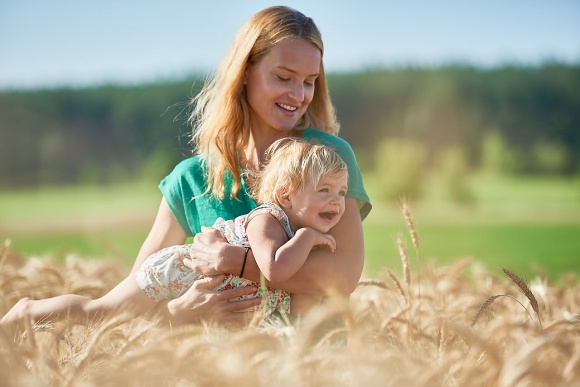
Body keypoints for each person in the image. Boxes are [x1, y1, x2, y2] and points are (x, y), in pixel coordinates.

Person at [0, 138, 349, 328]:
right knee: (103, 312)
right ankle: (27, 312)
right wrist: (307, 239)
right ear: (286, 195)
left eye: (342, 193)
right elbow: (275, 271)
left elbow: (301, 309)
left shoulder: (298, 234)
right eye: (324, 191)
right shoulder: (268, 220)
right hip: (175, 273)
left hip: (219, 302)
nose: (337, 202)